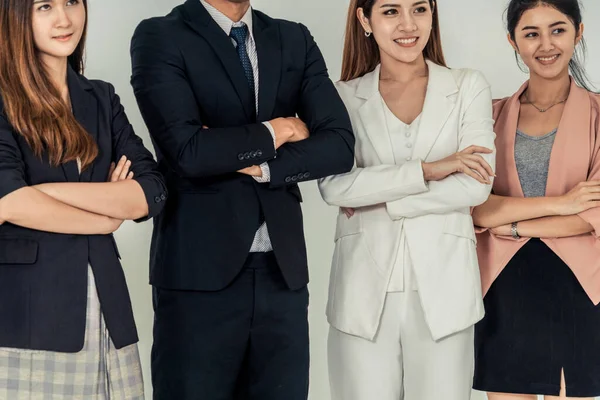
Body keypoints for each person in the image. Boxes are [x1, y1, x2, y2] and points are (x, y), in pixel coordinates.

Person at [129, 0, 355, 398]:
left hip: (281, 276)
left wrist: (263, 165)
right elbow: (189, 152)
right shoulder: (160, 35)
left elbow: (338, 146)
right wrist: (279, 129)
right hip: (198, 277)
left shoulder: (292, 37)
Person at [317, 0, 496, 399]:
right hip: (361, 295)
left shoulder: (467, 85)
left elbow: (475, 185)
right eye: (391, 11)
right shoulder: (342, 97)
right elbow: (332, 186)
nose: (408, 24)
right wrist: (430, 170)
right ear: (365, 19)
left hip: (445, 293)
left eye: (419, 9)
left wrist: (379, 198)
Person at [0, 0, 167, 398]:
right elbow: (9, 201)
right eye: (44, 7)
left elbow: (151, 192)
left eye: (72, 2)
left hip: (109, 313)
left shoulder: (101, 98)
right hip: (32, 318)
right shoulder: (4, 100)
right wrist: (106, 217)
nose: (64, 19)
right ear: (16, 16)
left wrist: (44, 192)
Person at [472, 1, 600, 399]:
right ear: (513, 41)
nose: (546, 44)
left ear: (578, 33)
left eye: (558, 30)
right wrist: (564, 202)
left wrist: (510, 224)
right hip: (503, 283)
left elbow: (594, 213)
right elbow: (475, 206)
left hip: (579, 282)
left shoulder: (599, 113)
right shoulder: (487, 116)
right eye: (531, 33)